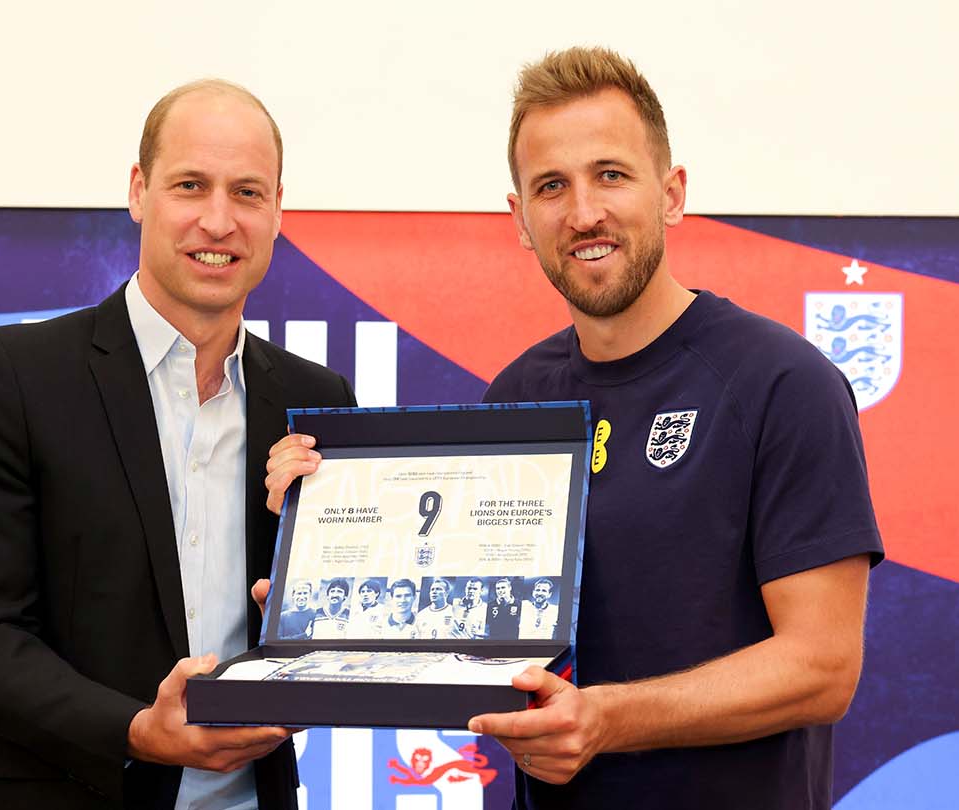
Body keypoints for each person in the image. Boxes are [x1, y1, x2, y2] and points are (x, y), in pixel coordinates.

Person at [265, 47, 882, 809]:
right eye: (552, 186)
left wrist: (607, 720)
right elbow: (463, 624)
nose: (584, 212)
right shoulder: (519, 396)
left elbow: (822, 668)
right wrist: (318, 598)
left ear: (672, 193)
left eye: (610, 174)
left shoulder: (782, 383)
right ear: (521, 219)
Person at [0, 78, 355, 810]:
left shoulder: (315, 401)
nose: (218, 220)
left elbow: (345, 635)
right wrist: (134, 730)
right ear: (138, 191)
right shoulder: (15, 376)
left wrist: (311, 587)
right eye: (191, 185)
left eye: (247, 193)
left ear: (278, 210)